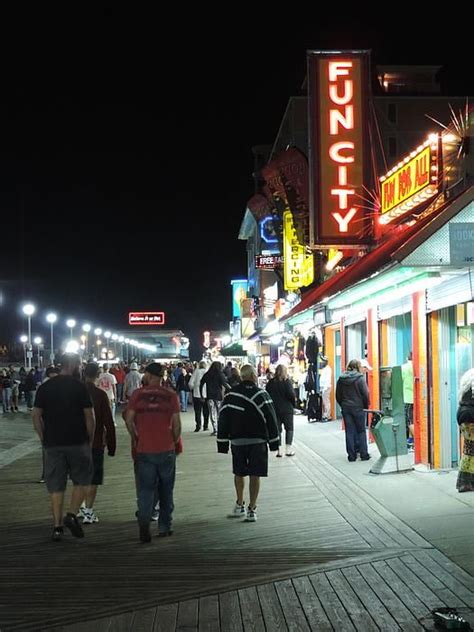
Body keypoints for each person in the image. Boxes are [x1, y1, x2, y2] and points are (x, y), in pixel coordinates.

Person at [32, 353, 95, 541]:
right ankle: (72, 514)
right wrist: (90, 439)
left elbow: (35, 415)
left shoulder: (45, 387)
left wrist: (43, 437)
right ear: (74, 364)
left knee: (56, 487)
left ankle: (57, 527)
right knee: (83, 480)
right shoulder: (80, 387)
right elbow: (89, 416)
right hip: (77, 441)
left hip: (53, 443)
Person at [125, 363, 182, 543]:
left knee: (146, 489)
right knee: (166, 489)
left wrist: (135, 436)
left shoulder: (137, 395)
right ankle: (165, 526)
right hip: (166, 449)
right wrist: (173, 440)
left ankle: (144, 520)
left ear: (149, 375)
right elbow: (177, 424)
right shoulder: (171, 396)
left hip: (144, 449)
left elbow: (128, 419)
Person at [217, 364, 279, 522]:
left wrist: (222, 442)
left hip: (237, 441)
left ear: (242, 377)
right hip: (258, 441)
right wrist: (274, 442)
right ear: (253, 376)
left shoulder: (230, 395)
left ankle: (239, 504)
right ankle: (252, 508)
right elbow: (271, 418)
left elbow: (223, 418)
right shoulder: (262, 394)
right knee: (255, 474)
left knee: (238, 473)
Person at [82, 363, 116, 523]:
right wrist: (111, 444)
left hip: (75, 443)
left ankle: (80, 506)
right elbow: (108, 422)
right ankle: (88, 511)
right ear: (98, 375)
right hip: (95, 442)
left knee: (80, 476)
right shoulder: (100, 395)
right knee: (93, 478)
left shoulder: (75, 393)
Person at [336, 359, 370, 462]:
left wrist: (343, 404)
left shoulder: (341, 379)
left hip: (346, 408)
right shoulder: (360, 379)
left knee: (349, 431)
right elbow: (365, 394)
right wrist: (365, 405)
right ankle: (364, 454)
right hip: (358, 408)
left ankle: (351, 455)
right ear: (358, 367)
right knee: (361, 431)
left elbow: (338, 395)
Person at [266, 365, 296, 457]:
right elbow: (291, 395)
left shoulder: (271, 383)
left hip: (275, 409)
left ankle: (279, 451)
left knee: (277, 429)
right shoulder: (287, 382)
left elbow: (267, 394)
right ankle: (288, 449)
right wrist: (293, 405)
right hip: (287, 409)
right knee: (289, 428)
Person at [200, 361, 231, 436]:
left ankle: (215, 429)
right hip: (218, 396)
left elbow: (201, 383)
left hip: (209, 396)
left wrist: (202, 395)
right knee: (219, 413)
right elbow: (225, 384)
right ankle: (220, 428)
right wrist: (232, 389)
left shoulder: (207, 374)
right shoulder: (220, 374)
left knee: (212, 413)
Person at [456, 369, 474, 493]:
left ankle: (464, 482)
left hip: (463, 415)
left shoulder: (468, 376)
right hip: (471, 415)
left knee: (469, 449)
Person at [188, 360, 209, 432]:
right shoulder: (207, 371)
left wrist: (194, 388)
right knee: (206, 411)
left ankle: (198, 426)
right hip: (206, 395)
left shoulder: (196, 371)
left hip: (197, 395)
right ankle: (205, 426)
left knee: (197, 411)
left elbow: (190, 383)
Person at [401, 352, 414, 451]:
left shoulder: (404, 368)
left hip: (407, 398)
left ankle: (415, 441)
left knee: (410, 421)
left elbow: (399, 381)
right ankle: (411, 440)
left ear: (407, 358)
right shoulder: (417, 366)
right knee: (414, 420)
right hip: (416, 398)